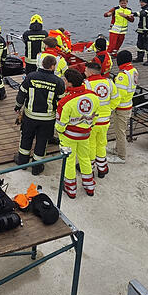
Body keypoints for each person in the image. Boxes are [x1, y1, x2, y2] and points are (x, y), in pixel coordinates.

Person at [15, 55, 65, 175]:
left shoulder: (31, 77)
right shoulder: (58, 82)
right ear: (53, 66)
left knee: (26, 138)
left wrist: (18, 107)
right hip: (47, 119)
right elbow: (61, 102)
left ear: (42, 64)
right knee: (42, 141)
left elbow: (21, 94)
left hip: (30, 116)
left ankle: (22, 162)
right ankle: (37, 167)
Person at [56, 69, 98, 198]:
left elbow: (61, 124)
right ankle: (89, 187)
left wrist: (60, 132)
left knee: (69, 161)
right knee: (85, 159)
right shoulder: (93, 96)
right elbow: (95, 115)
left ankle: (71, 189)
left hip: (69, 136)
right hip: (85, 134)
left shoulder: (65, 102)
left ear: (70, 84)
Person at [84, 52, 119, 179]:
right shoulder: (109, 83)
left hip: (92, 122)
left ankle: (91, 168)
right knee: (102, 144)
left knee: (91, 145)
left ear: (91, 72)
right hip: (105, 121)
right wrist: (108, 110)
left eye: (86, 71)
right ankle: (102, 168)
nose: (85, 73)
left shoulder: (86, 84)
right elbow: (116, 99)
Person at [108, 50, 138, 163]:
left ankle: (121, 156)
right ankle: (117, 149)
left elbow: (118, 95)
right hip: (128, 104)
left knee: (120, 132)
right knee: (120, 130)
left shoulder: (122, 75)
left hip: (121, 108)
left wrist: (111, 107)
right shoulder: (133, 70)